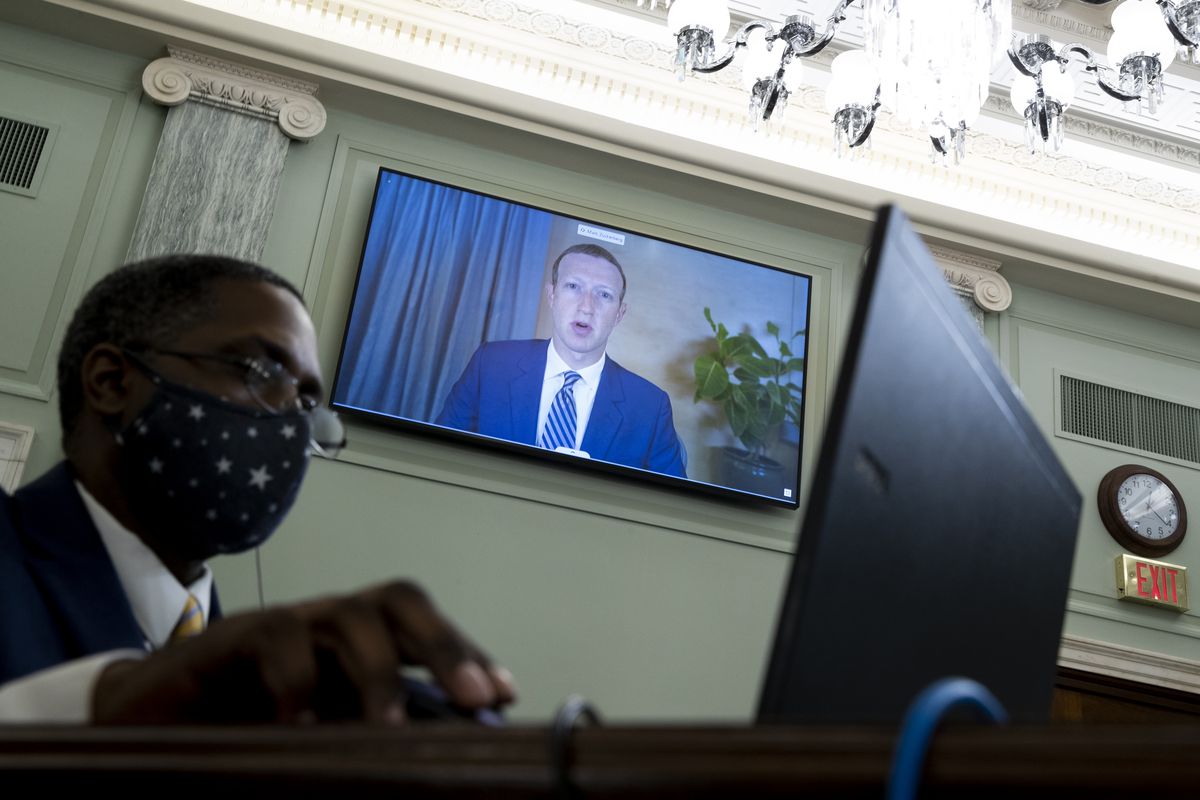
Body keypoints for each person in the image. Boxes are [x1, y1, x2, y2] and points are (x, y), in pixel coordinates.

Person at [0, 254, 514, 724]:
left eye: (308, 405)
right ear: (112, 383)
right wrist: (111, 703)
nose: (292, 425)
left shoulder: (253, 681)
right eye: (262, 371)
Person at [436, 243, 686, 479]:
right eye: (573, 286)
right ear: (551, 295)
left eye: (604, 295)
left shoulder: (650, 407)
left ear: (619, 314)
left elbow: (673, 505)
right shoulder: (491, 365)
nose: (587, 307)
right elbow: (439, 455)